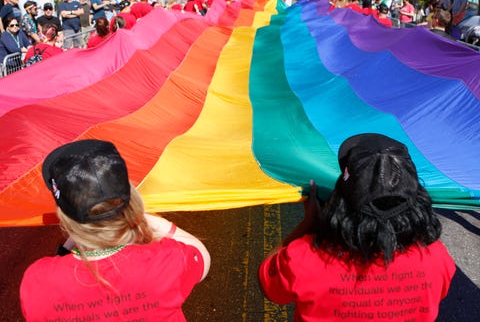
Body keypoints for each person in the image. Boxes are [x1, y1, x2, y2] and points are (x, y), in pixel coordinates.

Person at [258, 133, 455, 322]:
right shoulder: (437, 258)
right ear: (418, 201)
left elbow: (268, 285)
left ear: (340, 202)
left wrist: (307, 225)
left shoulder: (304, 257)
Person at [20, 139, 210, 321]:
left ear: (65, 217)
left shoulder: (37, 280)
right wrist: (140, 216)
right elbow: (201, 255)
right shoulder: (168, 260)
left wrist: (68, 246)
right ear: (131, 200)